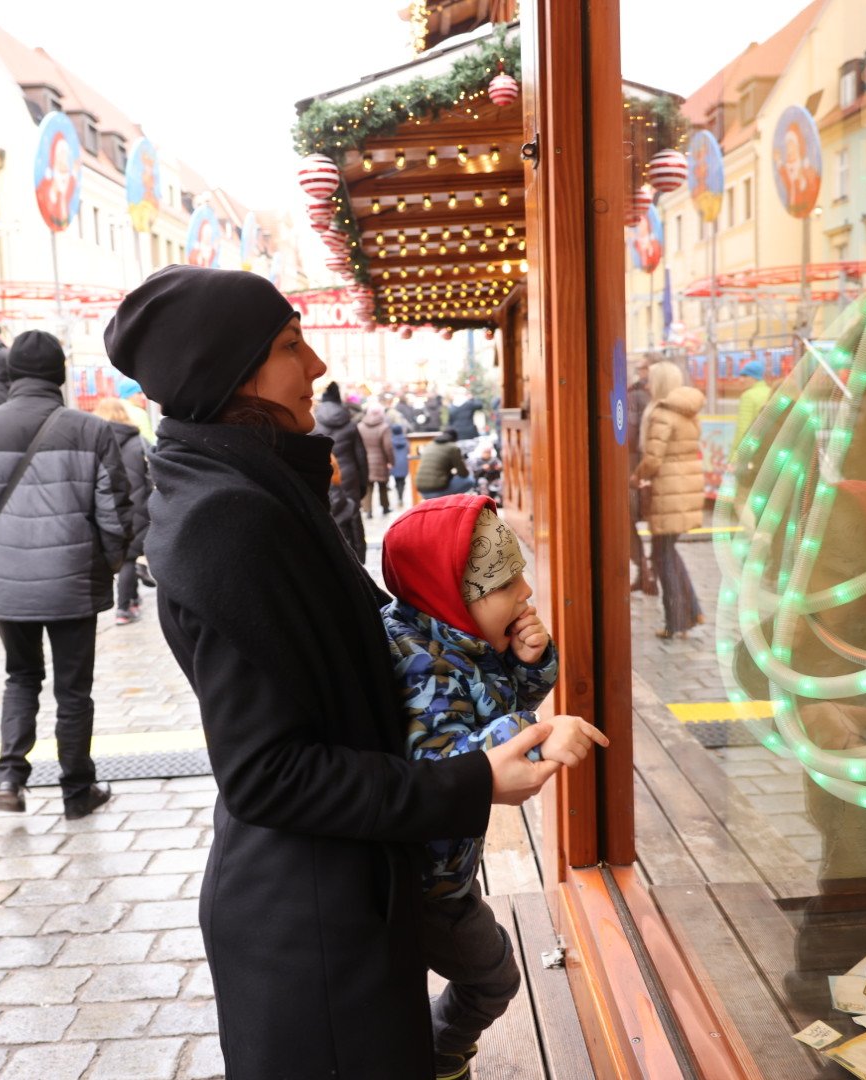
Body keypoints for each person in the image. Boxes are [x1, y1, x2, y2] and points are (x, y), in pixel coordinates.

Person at [103, 265, 562, 1079]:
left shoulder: (252, 488)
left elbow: (367, 672)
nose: (315, 365)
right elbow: (268, 775)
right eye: (290, 345)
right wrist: (470, 781)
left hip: (333, 896)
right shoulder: (232, 521)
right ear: (228, 371)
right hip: (310, 931)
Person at [380, 496, 607, 1078]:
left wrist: (527, 665)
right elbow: (446, 769)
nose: (526, 592)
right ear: (454, 596)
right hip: (428, 884)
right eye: (505, 584)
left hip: (441, 870)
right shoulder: (422, 666)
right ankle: (440, 1054)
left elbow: (483, 711)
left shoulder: (451, 643)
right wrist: (536, 731)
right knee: (494, 978)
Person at [0, 331, 131, 818]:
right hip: (74, 581)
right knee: (74, 691)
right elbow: (115, 515)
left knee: (21, 677)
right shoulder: (91, 430)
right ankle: (77, 791)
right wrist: (106, 564)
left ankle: (10, 778)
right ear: (59, 375)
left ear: (11, 375)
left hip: (7, 584)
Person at [635, 360, 705, 638]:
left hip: (668, 491)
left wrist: (635, 477)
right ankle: (691, 614)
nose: (647, 385)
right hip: (684, 488)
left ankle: (677, 621)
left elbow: (653, 459)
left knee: (663, 555)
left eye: (651, 380)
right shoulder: (686, 411)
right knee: (666, 552)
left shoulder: (662, 413)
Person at [93, 397, 152, 625]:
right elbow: (150, 476)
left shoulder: (94, 441)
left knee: (123, 557)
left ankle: (131, 599)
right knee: (130, 557)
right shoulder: (139, 441)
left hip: (106, 505)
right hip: (137, 507)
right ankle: (124, 608)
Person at [314, 381, 367, 556]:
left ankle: (336, 555)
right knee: (353, 515)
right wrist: (363, 484)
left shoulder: (314, 424)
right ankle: (358, 556)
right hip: (349, 475)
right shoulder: (350, 424)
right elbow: (361, 456)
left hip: (326, 475)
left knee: (330, 514)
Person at [626, 356, 657, 596]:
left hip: (636, 467)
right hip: (647, 468)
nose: (640, 372)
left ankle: (645, 571)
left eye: (643, 368)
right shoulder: (655, 396)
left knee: (627, 520)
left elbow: (629, 434)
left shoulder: (636, 396)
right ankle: (646, 573)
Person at [358, 401, 396, 517]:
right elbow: (388, 447)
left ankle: (368, 510)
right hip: (381, 461)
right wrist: (391, 461)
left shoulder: (360, 426)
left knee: (368, 486)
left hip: (365, 461)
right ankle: (385, 507)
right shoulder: (384, 427)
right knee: (383, 485)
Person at [416, 428, 475, 500]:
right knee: (469, 480)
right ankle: (446, 501)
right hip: (436, 490)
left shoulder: (430, 445)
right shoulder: (453, 447)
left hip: (421, 490)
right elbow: (463, 473)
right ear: (455, 438)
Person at [731, 358, 773, 457]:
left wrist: (735, 455)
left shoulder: (748, 396)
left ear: (755, 377)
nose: (741, 380)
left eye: (745, 376)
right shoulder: (770, 392)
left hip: (751, 451)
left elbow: (743, 429)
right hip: (768, 450)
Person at [390, 415, 411, 505]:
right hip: (403, 464)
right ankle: (401, 497)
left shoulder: (390, 441)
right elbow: (409, 450)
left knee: (397, 481)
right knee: (402, 481)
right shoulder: (406, 441)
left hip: (394, 463)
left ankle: (399, 496)